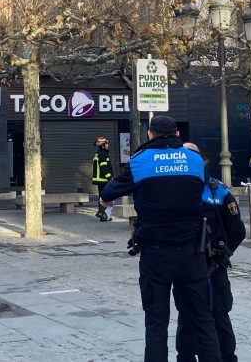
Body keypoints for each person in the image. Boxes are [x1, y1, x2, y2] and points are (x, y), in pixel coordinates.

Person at [100, 114, 221, 362]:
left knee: (156, 324)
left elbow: (108, 192)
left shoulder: (139, 161)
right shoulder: (195, 159)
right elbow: (204, 189)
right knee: (203, 320)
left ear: (149, 135)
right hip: (193, 253)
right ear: (178, 135)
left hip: (155, 254)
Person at [176, 142, 246, 362]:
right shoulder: (175, 189)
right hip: (186, 265)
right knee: (186, 316)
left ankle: (227, 357)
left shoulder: (218, 190)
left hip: (214, 266)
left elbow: (237, 231)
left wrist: (222, 253)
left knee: (219, 314)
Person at [91, 136, 114, 221]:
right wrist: (110, 178)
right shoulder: (102, 154)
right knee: (105, 197)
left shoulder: (99, 154)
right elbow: (104, 167)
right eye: (106, 144)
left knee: (103, 196)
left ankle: (104, 215)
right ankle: (101, 213)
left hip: (100, 180)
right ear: (102, 145)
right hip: (103, 180)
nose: (108, 145)